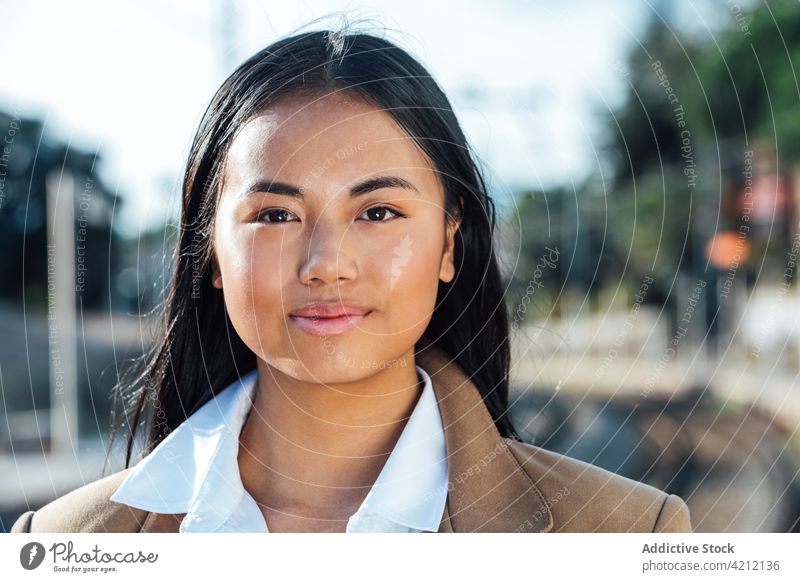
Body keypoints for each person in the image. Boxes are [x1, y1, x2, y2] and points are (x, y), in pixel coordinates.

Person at [11, 26, 691, 534]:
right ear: (210, 253)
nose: (326, 262)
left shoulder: (631, 530)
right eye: (275, 213)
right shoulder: (64, 541)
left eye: (378, 211)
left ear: (450, 242)